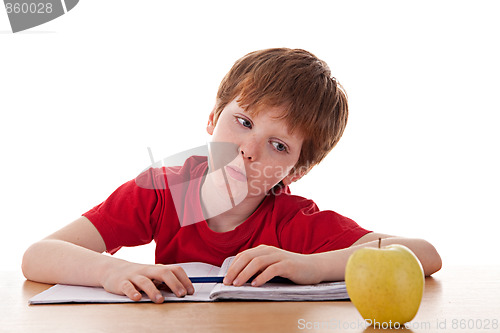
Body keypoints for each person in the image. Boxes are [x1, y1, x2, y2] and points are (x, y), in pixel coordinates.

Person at [22, 48, 442, 304]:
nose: (249, 150)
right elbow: (38, 256)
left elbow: (423, 254)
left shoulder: (291, 221)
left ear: (297, 168)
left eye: (278, 146)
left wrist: (313, 266)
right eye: (242, 122)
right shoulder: (162, 191)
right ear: (212, 117)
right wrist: (108, 272)